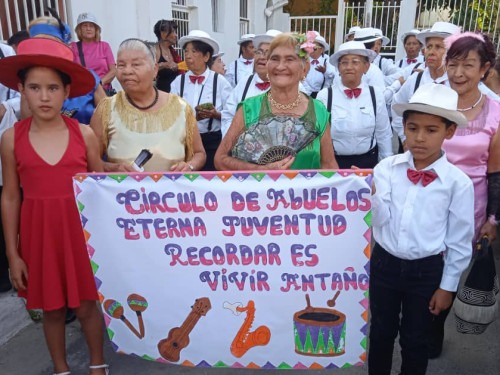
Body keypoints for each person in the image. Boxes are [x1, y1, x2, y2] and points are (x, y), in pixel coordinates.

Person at [0, 37, 109, 375]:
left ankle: (97, 363)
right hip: (38, 237)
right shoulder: (10, 138)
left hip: (80, 236)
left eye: (52, 88)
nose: (44, 96)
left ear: (66, 92)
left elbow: (99, 187)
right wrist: (13, 254)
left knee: (87, 305)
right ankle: (60, 369)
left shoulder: (84, 135)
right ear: (21, 89)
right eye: (34, 87)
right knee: (53, 309)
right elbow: (11, 196)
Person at [369, 83, 474, 375]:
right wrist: (373, 195)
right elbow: (379, 220)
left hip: (426, 271)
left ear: (449, 132)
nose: (419, 138)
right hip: (384, 264)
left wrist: (447, 286)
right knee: (380, 334)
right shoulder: (386, 169)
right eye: (413, 128)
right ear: (403, 127)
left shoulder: (458, 183)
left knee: (416, 340)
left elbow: (459, 240)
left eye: (431, 130)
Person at [428, 31, 500, 359]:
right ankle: (419, 327)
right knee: (423, 267)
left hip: (469, 209)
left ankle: (433, 329)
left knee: (451, 270)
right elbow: (411, 148)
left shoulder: (496, 111)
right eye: (453, 64)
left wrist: (493, 218)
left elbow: (496, 172)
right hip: (426, 201)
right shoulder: (431, 98)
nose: (458, 73)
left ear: (485, 68)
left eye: (468, 65)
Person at [214, 32, 339, 171]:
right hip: (259, 191)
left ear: (304, 68)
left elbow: (329, 165)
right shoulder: (249, 109)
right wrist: (259, 170)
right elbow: (221, 159)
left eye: (289, 59)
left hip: (305, 193)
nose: (280, 66)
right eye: (275, 59)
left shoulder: (318, 111)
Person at [91, 38, 206, 173]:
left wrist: (189, 166)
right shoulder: (106, 109)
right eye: (121, 65)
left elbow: (200, 154)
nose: (127, 71)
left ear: (155, 69)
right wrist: (112, 168)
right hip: (123, 193)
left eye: (136, 65)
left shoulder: (181, 108)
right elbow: (91, 160)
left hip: (172, 193)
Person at [317, 41, 393, 169]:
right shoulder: (324, 96)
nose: (349, 67)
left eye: (355, 62)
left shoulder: (376, 95)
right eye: (344, 62)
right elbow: (319, 137)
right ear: (338, 68)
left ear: (366, 66)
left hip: (368, 162)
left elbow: (383, 133)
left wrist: (386, 168)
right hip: (335, 163)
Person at [391, 22, 461, 149]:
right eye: (429, 47)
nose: (431, 52)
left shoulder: (459, 83)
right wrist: (405, 137)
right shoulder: (415, 79)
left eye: (439, 47)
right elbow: (396, 104)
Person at [170, 30, 232, 171]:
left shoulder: (220, 82)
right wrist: (192, 118)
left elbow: (232, 114)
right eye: (186, 52)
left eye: (194, 52)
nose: (188, 56)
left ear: (206, 56)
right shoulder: (177, 82)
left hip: (213, 142)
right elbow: (172, 113)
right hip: (185, 143)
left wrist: (216, 114)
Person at [221, 29, 282, 138]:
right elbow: (228, 115)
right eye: (259, 52)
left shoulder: (294, 87)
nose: (261, 57)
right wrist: (235, 140)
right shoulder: (244, 83)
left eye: (268, 53)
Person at [70, 13, 116, 95]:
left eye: (91, 26)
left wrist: (99, 84)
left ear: (96, 29)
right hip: (83, 93)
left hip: (103, 92)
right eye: (85, 26)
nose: (88, 29)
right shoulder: (73, 47)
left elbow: (113, 71)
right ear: (79, 30)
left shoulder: (104, 46)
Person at [302, 33, 336, 98]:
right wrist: (308, 92)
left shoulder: (327, 60)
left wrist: (325, 71)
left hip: (322, 96)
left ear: (322, 50)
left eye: (314, 48)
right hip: (306, 94)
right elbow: (301, 77)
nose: (311, 50)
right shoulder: (304, 60)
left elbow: (332, 75)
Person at [153, 19, 182, 93]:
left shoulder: (173, 52)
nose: (176, 35)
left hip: (176, 95)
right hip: (161, 96)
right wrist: (164, 65)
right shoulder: (155, 50)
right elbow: (148, 70)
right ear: (163, 34)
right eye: (173, 32)